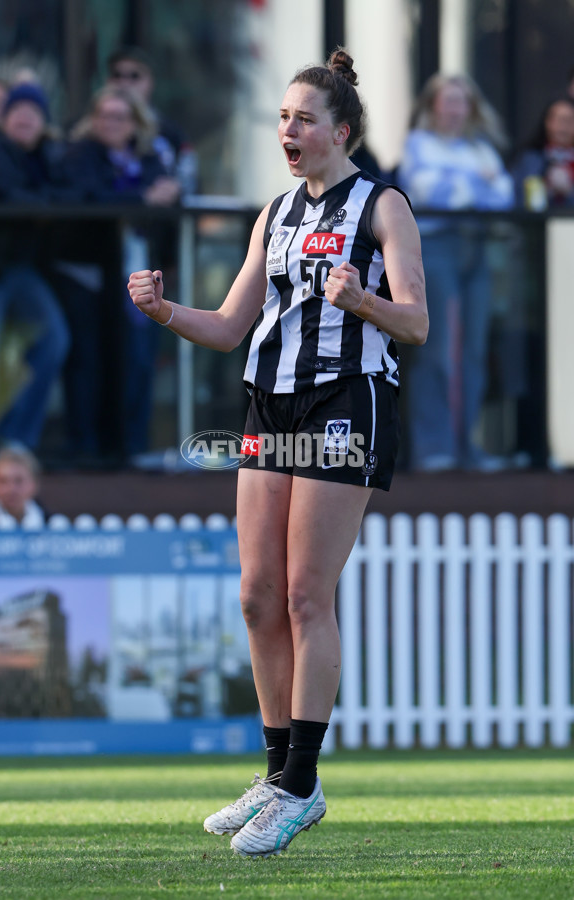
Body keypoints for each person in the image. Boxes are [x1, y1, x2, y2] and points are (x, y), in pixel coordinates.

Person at [129, 48, 427, 857]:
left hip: (346, 400)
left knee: (304, 595)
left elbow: (416, 322)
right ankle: (277, 775)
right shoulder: (277, 213)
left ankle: (301, 783)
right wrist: (164, 312)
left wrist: (361, 300)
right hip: (270, 400)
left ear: (342, 131)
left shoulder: (382, 206)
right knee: (257, 596)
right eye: (283, 119)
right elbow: (231, 327)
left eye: (303, 120)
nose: (288, 132)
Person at [397, 73, 514, 472]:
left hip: (476, 250)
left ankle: (468, 447)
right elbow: (426, 193)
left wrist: (458, 185)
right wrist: (477, 185)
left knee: (474, 353)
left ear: (471, 108)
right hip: (436, 250)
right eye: (447, 100)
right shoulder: (418, 144)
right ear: (433, 106)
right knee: (438, 350)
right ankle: (434, 448)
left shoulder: (481, 149)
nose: (454, 109)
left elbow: (505, 196)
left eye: (461, 101)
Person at [59, 86, 180, 457]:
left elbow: (168, 197)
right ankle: (86, 452)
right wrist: (143, 198)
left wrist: (164, 194)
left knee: (135, 361)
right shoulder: (79, 154)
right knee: (88, 362)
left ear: (135, 123)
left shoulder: (148, 158)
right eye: (104, 115)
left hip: (134, 276)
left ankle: (129, 449)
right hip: (85, 274)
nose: (110, 123)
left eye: (119, 117)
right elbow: (88, 197)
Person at [0, 81, 73, 452]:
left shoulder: (49, 154)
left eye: (33, 113)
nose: (24, 119)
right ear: (4, 119)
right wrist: (48, 204)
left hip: (20, 270)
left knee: (54, 340)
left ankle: (14, 441)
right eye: (17, 111)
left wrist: (45, 203)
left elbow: (70, 194)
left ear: (44, 122)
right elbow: (11, 194)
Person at [106, 45, 198, 196]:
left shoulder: (170, 132)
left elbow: (188, 180)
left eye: (134, 76)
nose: (124, 83)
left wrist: (174, 189)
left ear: (150, 81)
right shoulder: (88, 130)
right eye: (117, 75)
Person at [512, 97, 574, 208]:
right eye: (559, 120)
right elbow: (519, 200)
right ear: (547, 122)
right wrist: (548, 190)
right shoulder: (531, 159)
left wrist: (569, 191)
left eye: (569, 121)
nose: (563, 127)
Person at [0, 447, 49, 528]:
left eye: (18, 481)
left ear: (34, 484)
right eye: (3, 481)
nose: (11, 489)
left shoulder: (55, 525)